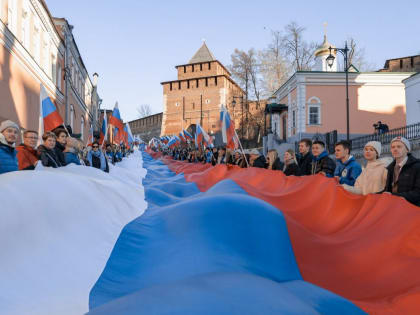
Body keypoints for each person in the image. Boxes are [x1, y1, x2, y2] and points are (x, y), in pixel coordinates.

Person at [382, 137, 420, 206]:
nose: (395, 149)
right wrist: (371, 194)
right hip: (394, 207)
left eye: (399, 147)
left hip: (412, 209)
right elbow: (387, 190)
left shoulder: (417, 166)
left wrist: (393, 195)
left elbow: (417, 193)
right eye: (393, 147)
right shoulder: (391, 168)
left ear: (407, 150)